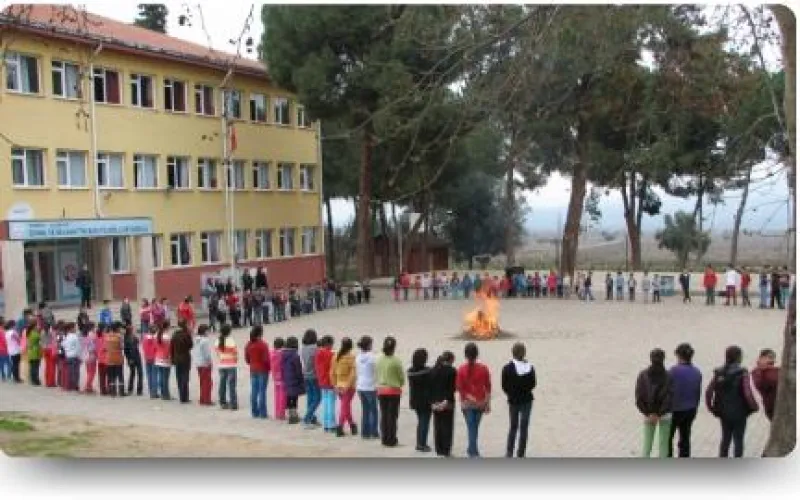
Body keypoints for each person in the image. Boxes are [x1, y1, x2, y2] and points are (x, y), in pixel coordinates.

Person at [705, 345, 759, 458]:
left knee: (725, 438)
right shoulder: (743, 373)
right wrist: (754, 407)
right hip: (740, 412)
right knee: (738, 440)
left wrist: (712, 408)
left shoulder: (719, 372)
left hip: (724, 412)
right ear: (739, 357)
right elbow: (747, 392)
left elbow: (709, 392)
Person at [635, 348, 673, 458]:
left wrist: (648, 413)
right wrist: (660, 413)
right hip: (665, 414)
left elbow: (639, 397)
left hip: (648, 414)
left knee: (647, 446)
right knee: (663, 445)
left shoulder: (643, 375)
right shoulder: (668, 376)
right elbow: (669, 398)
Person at [501, 342, 536, 458]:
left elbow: (504, 386)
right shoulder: (530, 367)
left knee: (513, 426)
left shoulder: (507, 368)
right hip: (526, 400)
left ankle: (509, 451)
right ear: (524, 353)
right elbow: (533, 384)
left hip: (513, 401)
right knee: (524, 428)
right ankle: (521, 453)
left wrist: (511, 394)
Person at [668, 343, 702, 457]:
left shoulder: (673, 371)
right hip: (690, 409)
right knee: (685, 438)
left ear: (678, 355)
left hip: (674, 410)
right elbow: (698, 393)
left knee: (668, 438)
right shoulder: (697, 372)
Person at [376, 336, 404, 447]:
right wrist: (399, 383)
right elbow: (401, 377)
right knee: (392, 416)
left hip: (381, 390)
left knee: (384, 415)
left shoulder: (378, 358)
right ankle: (391, 438)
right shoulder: (396, 361)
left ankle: (384, 438)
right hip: (393, 391)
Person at [429, 350, 456, 457]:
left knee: (438, 425)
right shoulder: (452, 371)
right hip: (447, 402)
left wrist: (432, 401)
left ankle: (439, 448)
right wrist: (446, 400)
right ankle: (446, 449)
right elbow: (452, 388)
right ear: (450, 360)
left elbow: (430, 387)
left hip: (435, 401)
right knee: (447, 426)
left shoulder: (432, 370)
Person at [407, 348, 433, 452]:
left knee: (421, 421)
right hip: (425, 401)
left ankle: (420, 442)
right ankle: (421, 444)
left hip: (415, 400)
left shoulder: (410, 371)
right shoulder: (427, 371)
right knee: (424, 422)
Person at [331, 337, 357, 437]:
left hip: (339, 385)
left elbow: (332, 372)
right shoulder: (351, 357)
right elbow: (353, 374)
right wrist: (348, 385)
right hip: (348, 387)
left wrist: (334, 385)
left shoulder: (335, 356)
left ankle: (352, 425)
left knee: (345, 406)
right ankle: (340, 426)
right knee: (344, 407)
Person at [355, 335, 379, 440]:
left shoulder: (358, 357)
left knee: (365, 410)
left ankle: (365, 432)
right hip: (370, 386)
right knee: (373, 410)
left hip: (360, 386)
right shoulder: (373, 357)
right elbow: (376, 370)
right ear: (369, 345)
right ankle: (374, 431)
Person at [245, 326, 271, 419]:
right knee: (262, 391)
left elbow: (247, 359)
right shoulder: (263, 345)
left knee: (254, 391)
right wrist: (269, 368)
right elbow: (266, 360)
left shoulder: (248, 344)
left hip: (253, 369)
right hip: (262, 370)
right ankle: (263, 413)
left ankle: (255, 412)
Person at [314, 335, 336, 433]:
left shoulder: (318, 353)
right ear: (329, 344)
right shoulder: (330, 354)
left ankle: (326, 424)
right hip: (329, 381)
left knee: (325, 402)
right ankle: (331, 424)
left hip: (321, 380)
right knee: (331, 404)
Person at [281, 336, 305, 424]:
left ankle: (290, 414)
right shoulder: (295, 356)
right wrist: (301, 379)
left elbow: (282, 367)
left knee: (289, 397)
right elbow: (298, 369)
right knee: (294, 398)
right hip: (294, 380)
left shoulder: (283, 354)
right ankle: (294, 416)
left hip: (287, 379)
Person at [751, 348, 779, 421]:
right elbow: (770, 381)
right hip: (773, 406)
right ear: (761, 358)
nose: (771, 360)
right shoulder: (757, 372)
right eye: (769, 357)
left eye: (773, 358)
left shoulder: (775, 370)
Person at [300, 329, 321, 427]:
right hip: (314, 375)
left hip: (306, 375)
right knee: (317, 398)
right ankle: (307, 418)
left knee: (310, 397)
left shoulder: (303, 347)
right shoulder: (315, 348)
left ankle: (311, 417)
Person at [216, 324, 238, 410]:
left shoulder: (217, 341)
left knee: (222, 384)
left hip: (222, 364)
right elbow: (235, 353)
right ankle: (233, 403)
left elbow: (217, 353)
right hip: (231, 364)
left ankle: (222, 402)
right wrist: (235, 360)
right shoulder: (231, 341)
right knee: (232, 385)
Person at [171, 322, 194, 404]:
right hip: (185, 358)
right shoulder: (186, 335)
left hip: (177, 358)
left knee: (179, 377)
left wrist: (172, 358)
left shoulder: (174, 335)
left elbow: (171, 348)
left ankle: (181, 396)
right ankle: (185, 396)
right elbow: (191, 345)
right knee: (185, 377)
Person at [192, 324, 214, 406]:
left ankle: (202, 398)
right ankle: (207, 399)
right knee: (207, 382)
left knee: (202, 381)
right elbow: (207, 354)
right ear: (205, 331)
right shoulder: (205, 341)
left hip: (198, 363)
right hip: (205, 363)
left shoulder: (197, 339)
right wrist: (210, 362)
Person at [104, 323, 125, 397]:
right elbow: (122, 346)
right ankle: (121, 392)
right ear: (117, 329)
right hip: (118, 357)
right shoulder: (119, 336)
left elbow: (105, 347)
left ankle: (113, 392)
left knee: (111, 375)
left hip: (109, 358)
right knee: (120, 375)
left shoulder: (106, 336)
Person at [154, 324, 172, 400]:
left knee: (161, 377)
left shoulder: (156, 335)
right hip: (165, 359)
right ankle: (166, 394)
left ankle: (162, 393)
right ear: (167, 327)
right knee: (165, 378)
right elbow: (169, 349)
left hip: (158, 358)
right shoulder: (167, 337)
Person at [123, 326, 143, 396]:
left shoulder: (134, 337)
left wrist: (135, 336)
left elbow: (138, 342)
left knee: (140, 373)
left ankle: (139, 390)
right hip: (132, 358)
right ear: (130, 331)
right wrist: (128, 359)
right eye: (133, 329)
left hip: (137, 357)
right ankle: (130, 388)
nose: (134, 330)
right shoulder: (126, 339)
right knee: (133, 373)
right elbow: (126, 351)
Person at [62, 323, 81, 392]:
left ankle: (69, 385)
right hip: (74, 356)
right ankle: (75, 386)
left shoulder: (67, 336)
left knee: (70, 372)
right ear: (71, 329)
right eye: (74, 327)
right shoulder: (75, 336)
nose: (75, 329)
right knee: (75, 372)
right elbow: (78, 347)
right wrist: (79, 356)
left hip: (68, 356)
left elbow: (63, 345)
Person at [271, 337, 286, 420]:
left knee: (276, 395)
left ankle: (277, 412)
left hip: (275, 376)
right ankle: (281, 413)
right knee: (282, 396)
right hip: (282, 376)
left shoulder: (272, 353)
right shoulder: (281, 354)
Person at [81, 325, 97, 393]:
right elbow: (92, 348)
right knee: (92, 373)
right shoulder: (91, 337)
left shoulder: (83, 338)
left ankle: (89, 386)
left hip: (85, 357)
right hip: (91, 356)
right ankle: (87, 386)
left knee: (88, 372)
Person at [26, 321, 42, 386]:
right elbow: (40, 339)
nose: (38, 327)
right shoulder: (35, 334)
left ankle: (33, 380)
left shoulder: (29, 333)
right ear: (34, 327)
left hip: (30, 351)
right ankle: (36, 380)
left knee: (32, 367)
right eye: (37, 326)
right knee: (36, 367)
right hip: (35, 351)